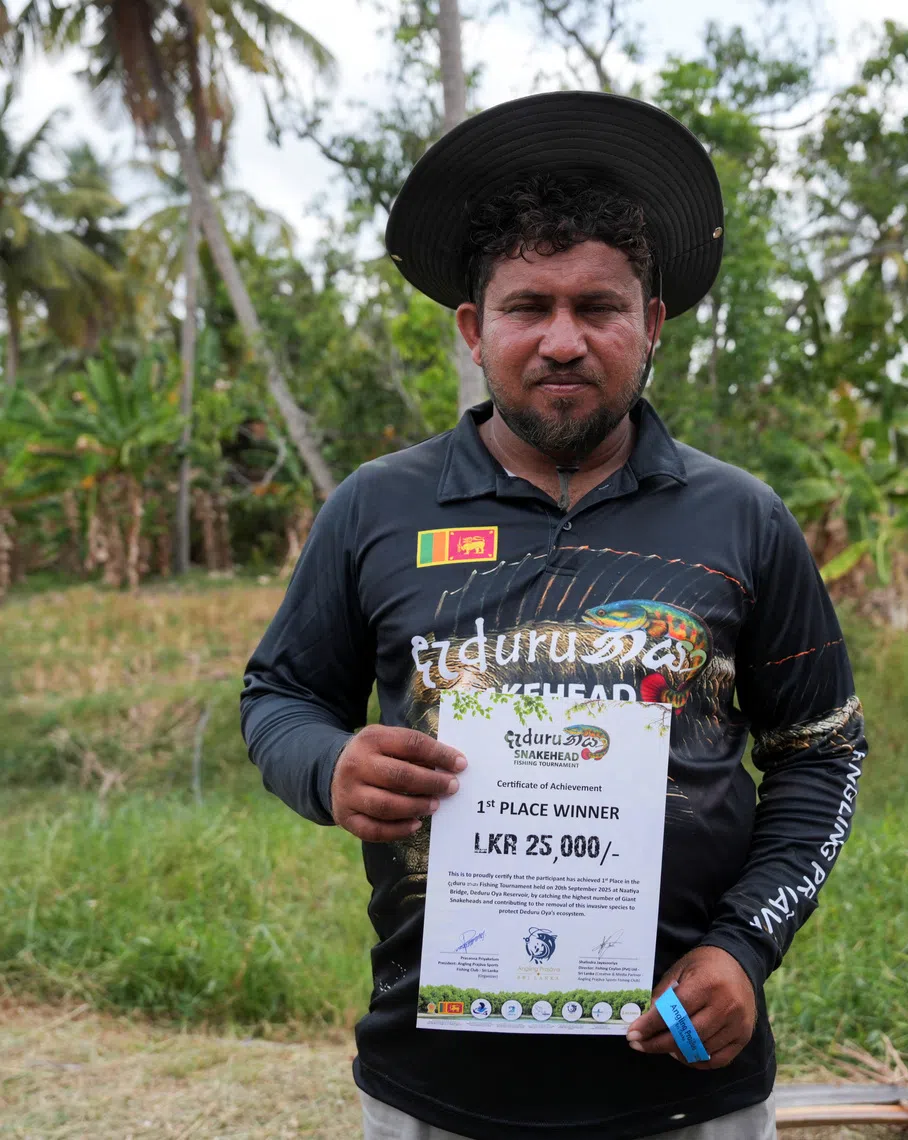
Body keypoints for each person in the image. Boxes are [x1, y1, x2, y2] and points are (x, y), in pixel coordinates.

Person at [241, 90, 867, 1140]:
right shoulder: (376, 508)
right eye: (530, 307)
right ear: (475, 330)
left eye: (601, 307)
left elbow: (820, 755)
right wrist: (328, 764)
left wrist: (745, 946)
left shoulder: (742, 519)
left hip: (688, 1085)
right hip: (434, 1085)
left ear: (651, 326)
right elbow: (281, 696)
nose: (565, 339)